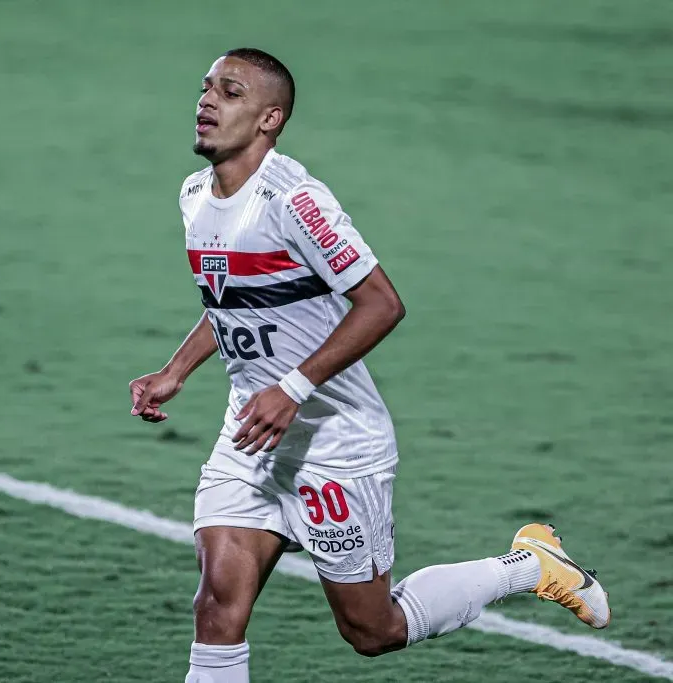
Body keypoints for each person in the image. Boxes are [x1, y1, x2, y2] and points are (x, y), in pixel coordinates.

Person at [128, 48, 610, 683]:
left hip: (336, 444)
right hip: (249, 434)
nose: (207, 101)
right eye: (206, 87)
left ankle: (534, 565)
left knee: (371, 630)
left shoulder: (295, 201)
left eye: (230, 91)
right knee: (217, 609)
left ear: (270, 118)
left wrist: (294, 387)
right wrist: (176, 369)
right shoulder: (195, 195)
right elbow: (232, 301)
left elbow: (382, 303)